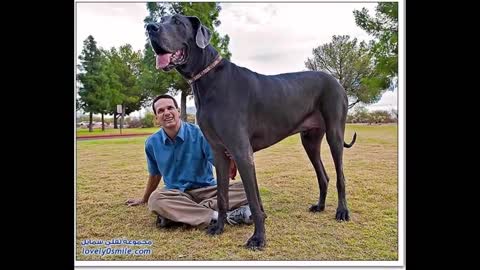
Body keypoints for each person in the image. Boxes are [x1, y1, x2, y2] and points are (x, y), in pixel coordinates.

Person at [126, 94, 252, 229]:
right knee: (155, 199)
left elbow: (225, 170)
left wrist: (231, 157)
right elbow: (155, 175)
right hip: (177, 195)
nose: (166, 113)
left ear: (178, 111)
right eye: (161, 111)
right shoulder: (151, 143)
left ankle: (181, 215)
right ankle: (219, 216)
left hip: (207, 191)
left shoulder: (200, 134)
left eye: (170, 108)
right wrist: (145, 198)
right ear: (156, 118)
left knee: (247, 188)